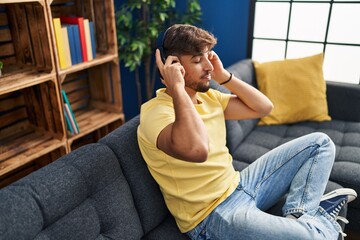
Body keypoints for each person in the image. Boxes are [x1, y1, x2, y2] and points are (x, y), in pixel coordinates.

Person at [137, 24, 357, 240]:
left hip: (240, 183)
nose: (208, 66)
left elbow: (264, 108)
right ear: (171, 65)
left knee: (320, 143)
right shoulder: (156, 114)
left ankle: (298, 215)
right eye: (197, 60)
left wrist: (224, 77)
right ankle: (318, 221)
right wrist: (177, 89)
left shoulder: (209, 97)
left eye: (208, 56)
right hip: (212, 216)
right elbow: (198, 150)